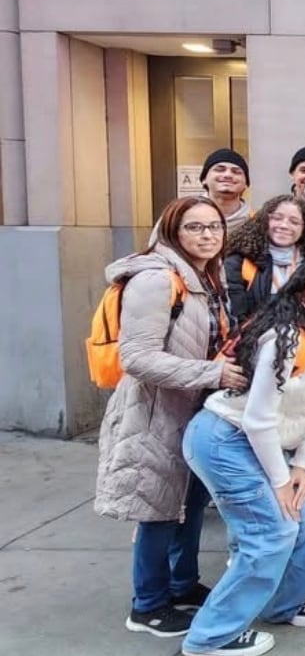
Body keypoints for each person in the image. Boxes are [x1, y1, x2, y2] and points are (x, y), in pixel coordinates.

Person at [180, 258, 305, 656]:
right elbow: (258, 419)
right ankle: (210, 637)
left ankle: (283, 606)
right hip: (225, 440)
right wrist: (282, 481)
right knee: (272, 533)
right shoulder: (286, 337)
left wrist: (301, 465)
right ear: (301, 294)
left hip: (271, 446)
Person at [94, 196, 246, 639]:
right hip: (157, 412)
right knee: (159, 510)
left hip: (196, 410)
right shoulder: (157, 279)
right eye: (195, 227)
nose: (206, 235)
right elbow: (137, 357)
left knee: (191, 504)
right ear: (173, 231)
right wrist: (213, 372)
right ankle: (149, 605)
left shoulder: (204, 276)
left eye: (213, 227)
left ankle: (181, 585)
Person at [224, 195, 305, 324]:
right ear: (264, 220)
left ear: (304, 228)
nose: (284, 226)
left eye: (294, 222)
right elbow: (238, 315)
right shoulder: (239, 262)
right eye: (277, 218)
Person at [200, 148, 253, 232]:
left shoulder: (257, 221)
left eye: (236, 172)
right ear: (204, 179)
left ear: (246, 184)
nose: (228, 175)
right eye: (220, 170)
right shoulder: (184, 215)